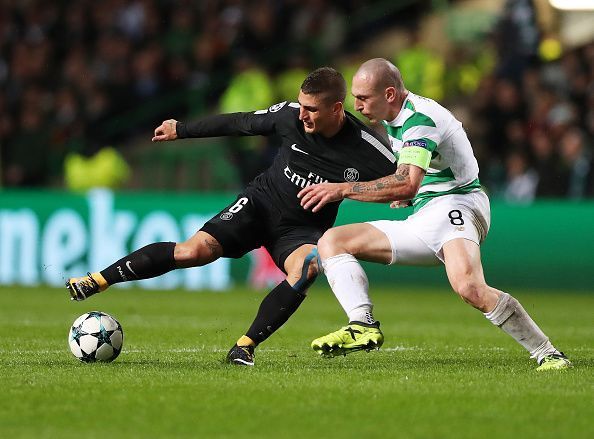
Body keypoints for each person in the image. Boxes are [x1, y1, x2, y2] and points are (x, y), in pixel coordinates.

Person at [66, 67, 397, 366]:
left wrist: (395, 195)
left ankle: (245, 346)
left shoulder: (368, 148)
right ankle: (97, 280)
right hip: (259, 204)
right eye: (301, 105)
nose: (303, 115)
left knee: (309, 265)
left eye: (312, 109)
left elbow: (405, 179)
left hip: (301, 230)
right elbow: (240, 123)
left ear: (336, 109)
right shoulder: (289, 116)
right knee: (193, 251)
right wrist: (181, 129)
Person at [298, 58, 571, 371]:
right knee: (333, 241)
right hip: (427, 212)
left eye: (363, 98)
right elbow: (415, 178)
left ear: (389, 94)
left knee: (469, 287)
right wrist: (412, 192)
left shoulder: (420, 119)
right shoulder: (394, 116)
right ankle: (362, 324)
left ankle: (548, 353)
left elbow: (406, 183)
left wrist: (343, 189)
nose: (356, 106)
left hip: (459, 204)